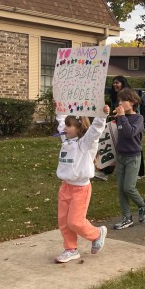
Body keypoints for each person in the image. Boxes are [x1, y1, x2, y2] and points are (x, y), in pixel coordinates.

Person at [54, 107, 109, 263]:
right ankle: (70, 249)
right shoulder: (66, 140)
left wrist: (102, 115)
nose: (65, 128)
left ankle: (97, 234)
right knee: (64, 222)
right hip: (65, 187)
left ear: (78, 128)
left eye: (69, 125)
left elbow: (95, 130)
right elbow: (60, 121)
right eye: (65, 125)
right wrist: (60, 107)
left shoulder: (85, 144)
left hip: (80, 189)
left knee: (75, 221)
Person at [113, 88, 145, 230]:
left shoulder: (138, 118)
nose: (120, 103)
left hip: (133, 157)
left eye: (124, 101)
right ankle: (126, 217)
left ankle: (142, 204)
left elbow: (130, 133)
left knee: (129, 187)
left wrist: (122, 117)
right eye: (119, 100)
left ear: (133, 102)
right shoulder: (120, 117)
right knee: (121, 189)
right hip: (121, 156)